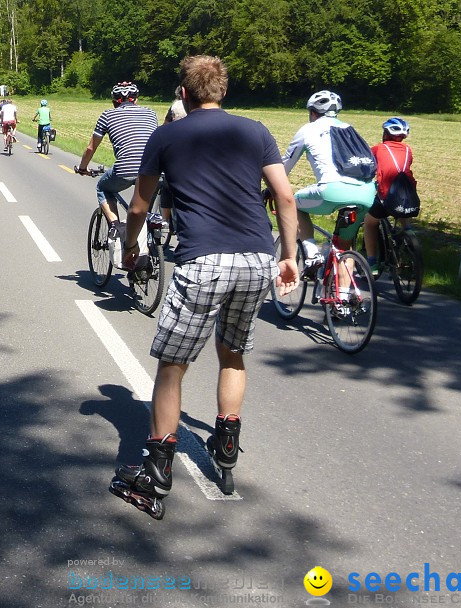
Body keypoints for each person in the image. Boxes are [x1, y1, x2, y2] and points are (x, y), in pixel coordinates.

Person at [111, 55, 299, 519]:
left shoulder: (168, 134)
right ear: (223, 91)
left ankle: (155, 478)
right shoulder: (255, 130)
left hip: (205, 261)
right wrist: (289, 255)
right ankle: (227, 445)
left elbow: (139, 205)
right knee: (232, 353)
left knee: (173, 365)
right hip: (257, 258)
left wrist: (130, 247)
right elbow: (286, 195)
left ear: (184, 93)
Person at [282, 90, 377, 268]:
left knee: (293, 204)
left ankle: (311, 253)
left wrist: (270, 188)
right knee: (342, 248)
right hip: (368, 194)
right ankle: (344, 294)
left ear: (313, 112)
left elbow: (284, 166)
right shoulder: (349, 129)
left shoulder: (308, 129)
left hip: (332, 191)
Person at [75, 82, 158, 228]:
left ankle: (116, 228)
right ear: (136, 100)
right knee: (145, 208)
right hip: (154, 169)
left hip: (126, 169)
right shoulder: (151, 114)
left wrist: (82, 168)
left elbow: (90, 148)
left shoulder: (107, 115)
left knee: (103, 188)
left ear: (114, 102)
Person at [363, 117, 417, 273]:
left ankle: (372, 264)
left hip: (386, 197)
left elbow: (368, 166)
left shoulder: (378, 149)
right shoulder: (408, 150)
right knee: (400, 205)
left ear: (386, 133)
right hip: (409, 196)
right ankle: (408, 232)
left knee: (370, 223)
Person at [156, 98, 188, 233]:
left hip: (180, 168)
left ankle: (165, 220)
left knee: (167, 185)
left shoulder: (175, 106)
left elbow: (164, 127)